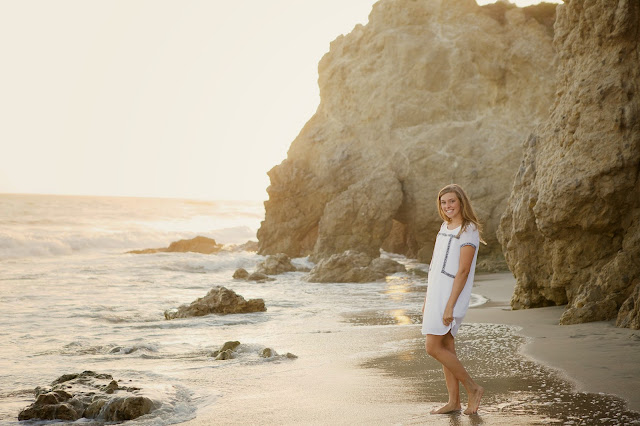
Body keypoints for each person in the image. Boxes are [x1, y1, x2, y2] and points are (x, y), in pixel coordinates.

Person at [421, 183, 485, 415]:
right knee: (446, 346)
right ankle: (453, 402)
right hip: (436, 293)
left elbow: (463, 270)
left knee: (432, 347)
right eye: (443, 202)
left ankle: (473, 388)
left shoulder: (468, 230)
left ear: (461, 202)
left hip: (451, 294)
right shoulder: (445, 226)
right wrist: (428, 298)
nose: (447, 206)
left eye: (452, 201)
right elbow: (435, 266)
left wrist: (450, 305)